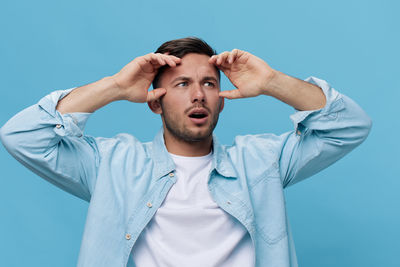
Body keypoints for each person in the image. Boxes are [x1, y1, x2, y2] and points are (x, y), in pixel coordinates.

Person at [0, 37, 372, 267]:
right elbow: (21, 136)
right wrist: (114, 86)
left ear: (221, 101)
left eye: (209, 83)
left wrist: (273, 82)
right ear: (155, 103)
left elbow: (350, 126)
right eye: (182, 84)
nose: (198, 94)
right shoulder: (111, 165)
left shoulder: (262, 162)